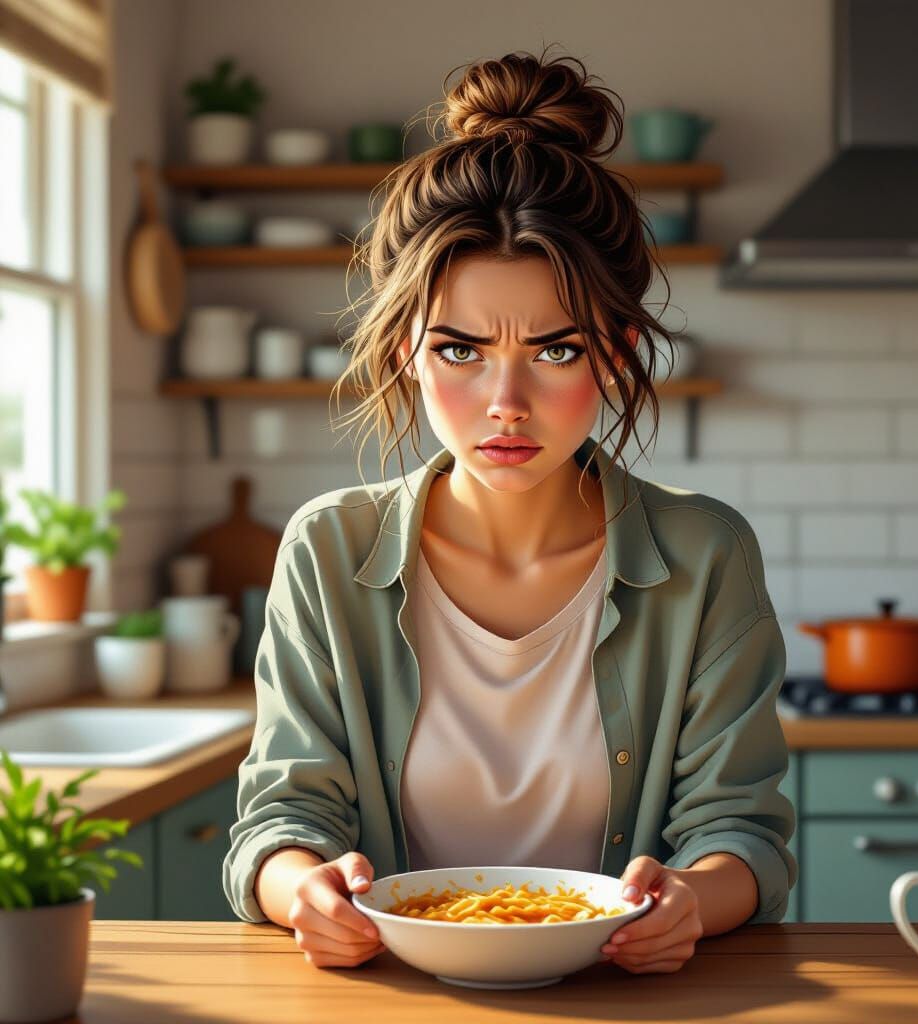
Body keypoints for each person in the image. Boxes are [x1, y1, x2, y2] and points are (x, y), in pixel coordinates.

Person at [222, 46, 797, 976]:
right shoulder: (329, 548)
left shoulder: (706, 552)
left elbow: (741, 829)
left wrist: (692, 898)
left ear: (613, 351)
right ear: (406, 348)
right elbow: (284, 818)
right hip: (391, 996)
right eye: (460, 350)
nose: (506, 402)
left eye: (556, 351)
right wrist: (303, 892)